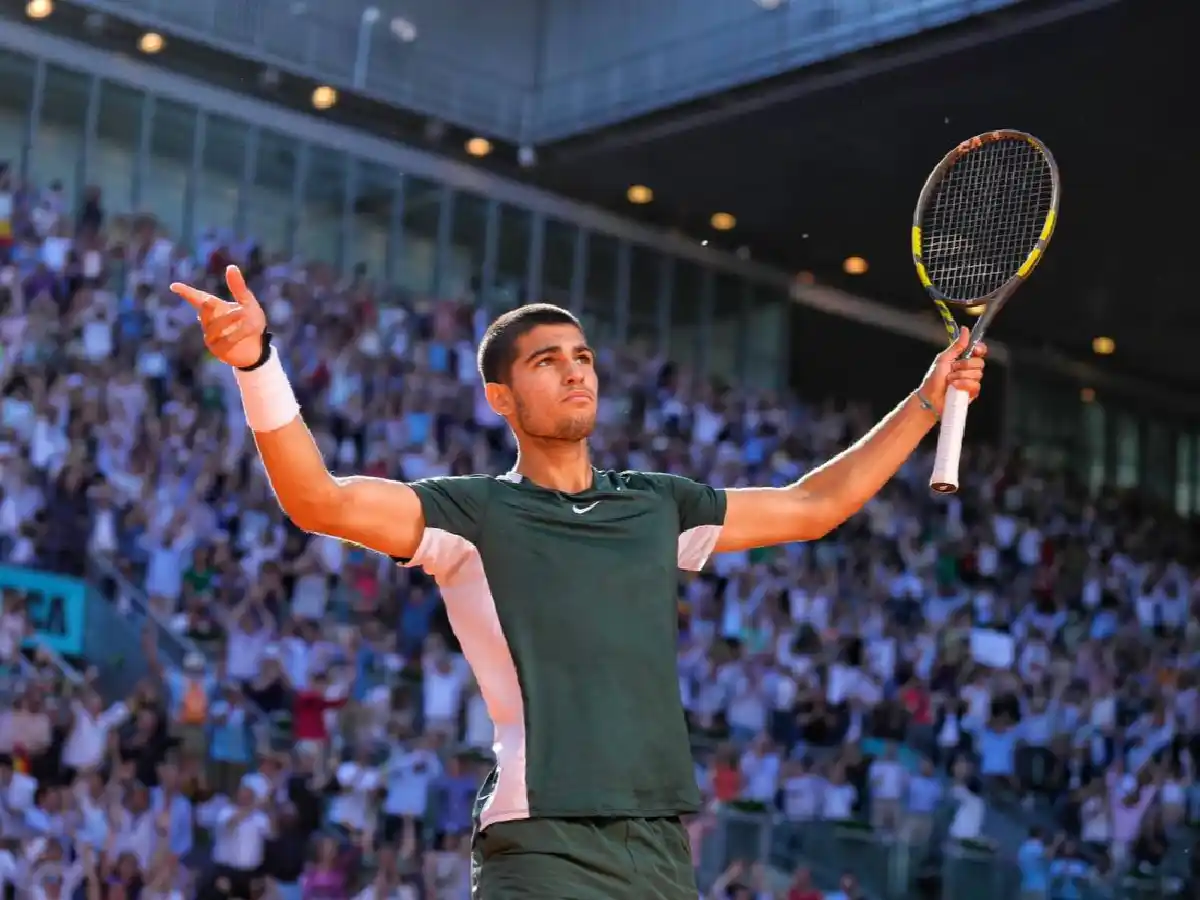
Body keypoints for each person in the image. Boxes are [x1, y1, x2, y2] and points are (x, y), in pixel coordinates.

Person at [171, 265, 988, 900]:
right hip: (543, 840)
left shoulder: (655, 505)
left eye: (584, 357)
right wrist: (256, 363)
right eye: (547, 361)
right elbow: (319, 500)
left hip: (659, 843)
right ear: (500, 396)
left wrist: (924, 400)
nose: (575, 372)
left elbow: (815, 504)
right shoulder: (471, 515)